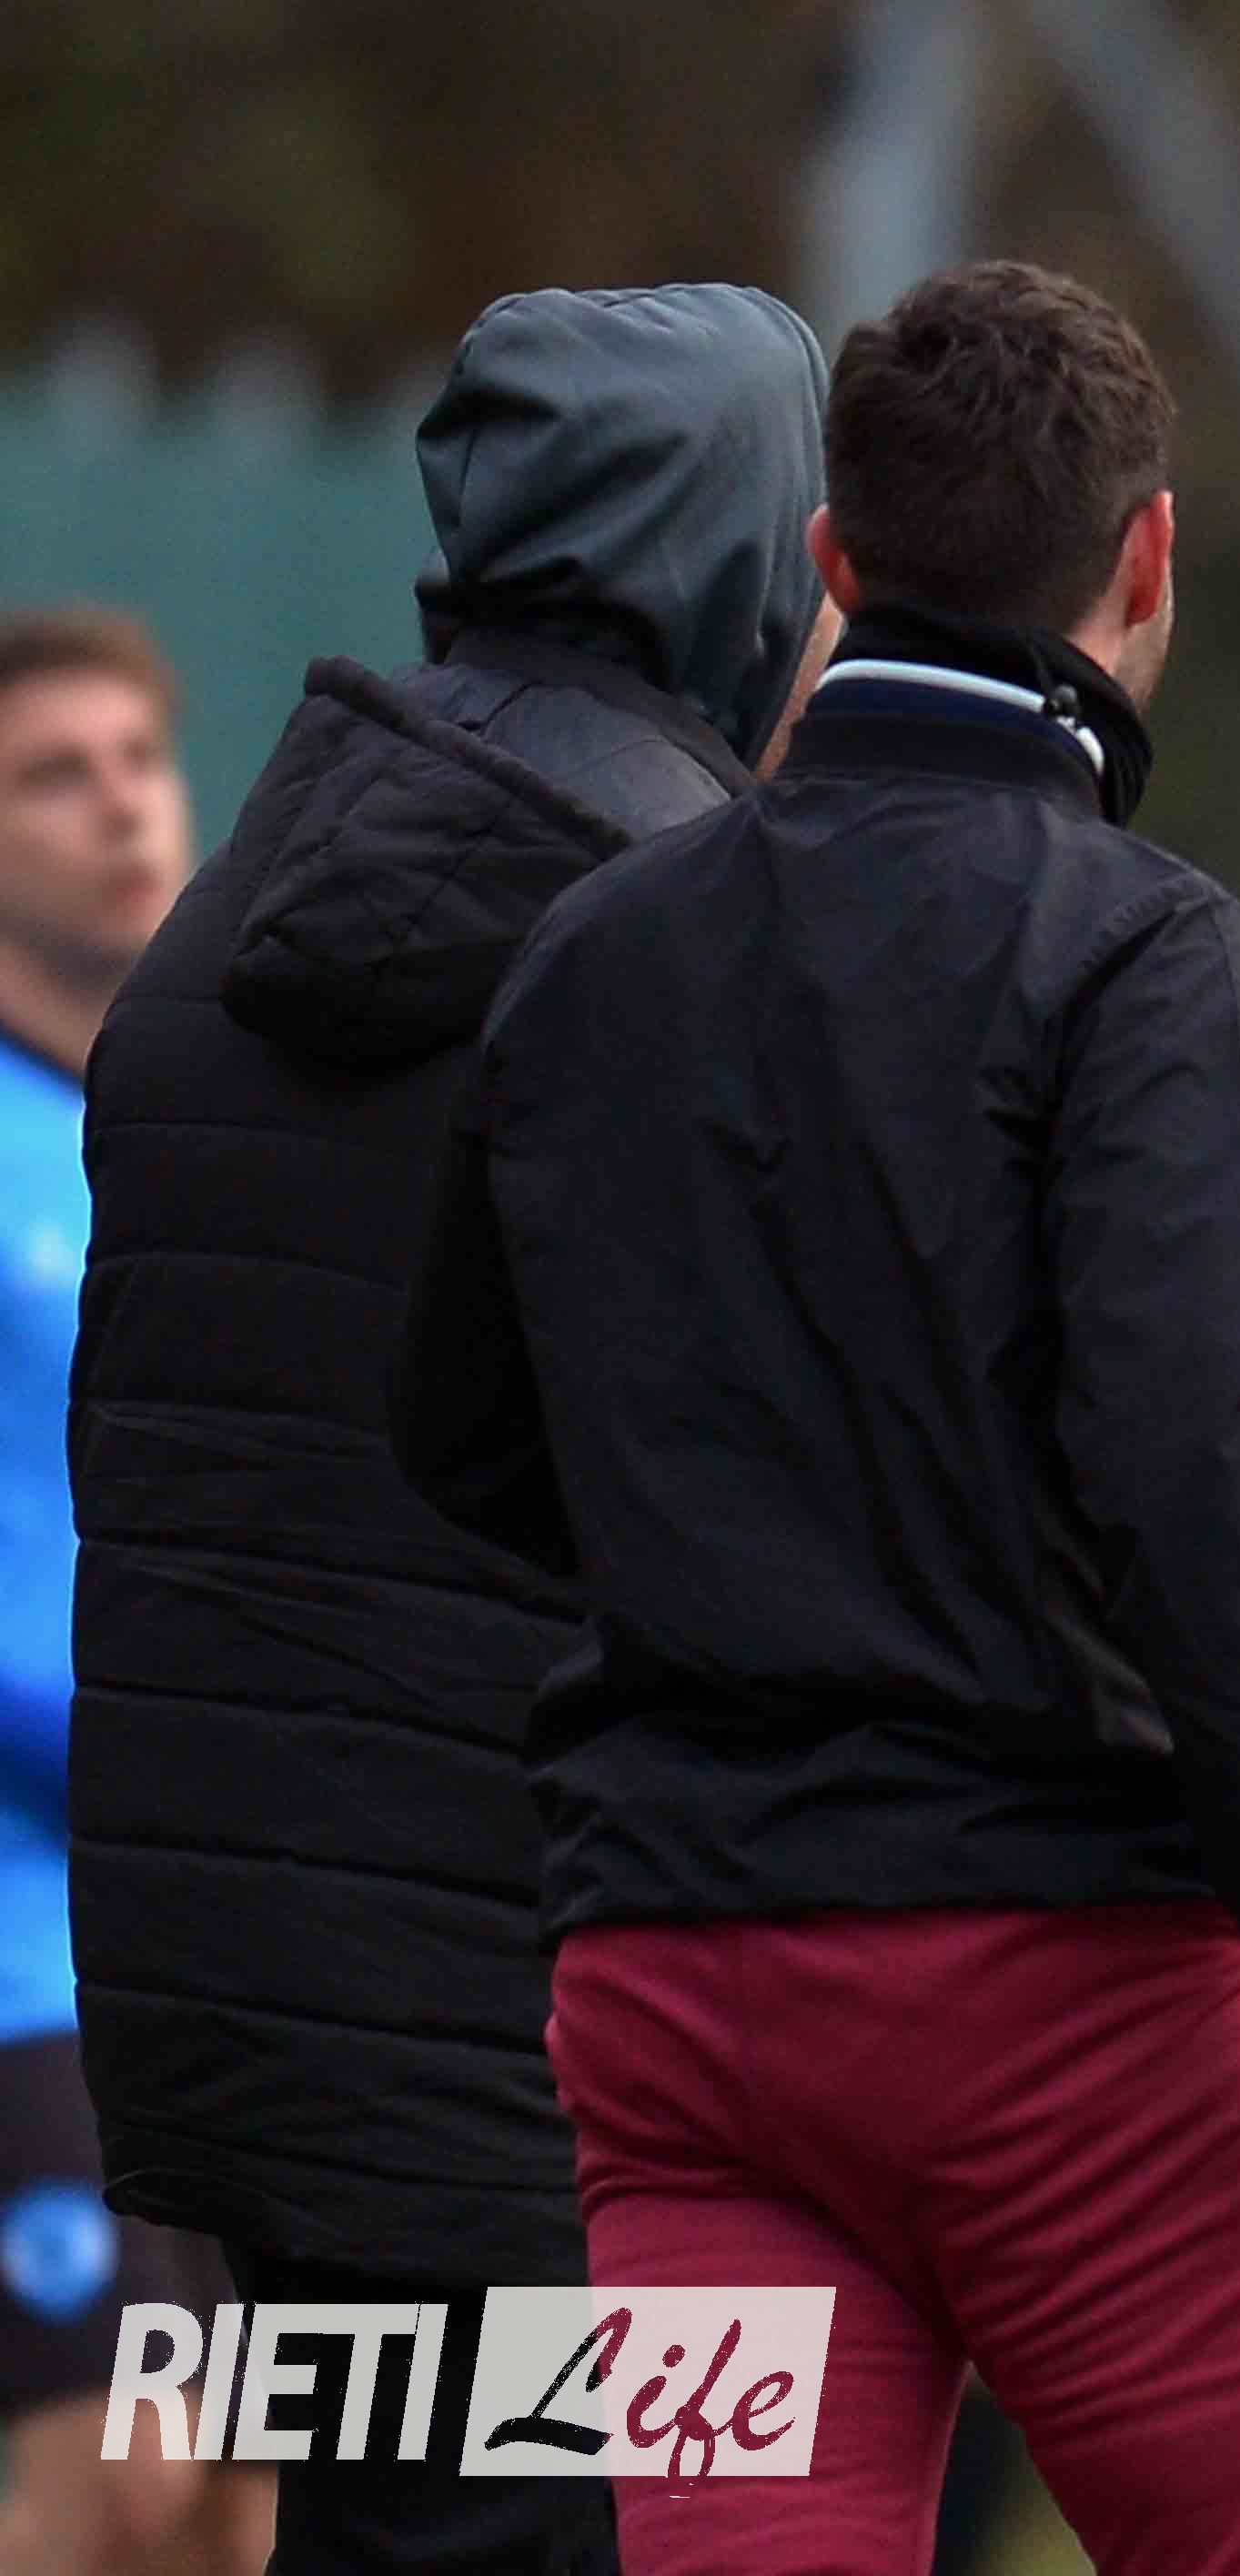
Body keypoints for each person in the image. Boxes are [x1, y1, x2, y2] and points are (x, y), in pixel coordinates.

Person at [389, 260, 1240, 2576]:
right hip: (1072, 1988)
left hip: (682, 1994)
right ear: (1148, 560)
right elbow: (1203, 1474)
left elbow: (466, 1431)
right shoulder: (1142, 951)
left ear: (834, 562)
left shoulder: (598, 949)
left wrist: (772, 1567)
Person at [68, 283, 832, 2576]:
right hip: (536, 2034)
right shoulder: (676, 944)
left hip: (231, 2028)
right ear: (744, 555)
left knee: (386, 2523)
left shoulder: (225, 923)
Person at [0, 609, 261, 2574]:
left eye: (137, 763)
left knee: (252, 2487)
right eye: (49, 776)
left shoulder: (228, 1127)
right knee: (121, 2473)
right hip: (23, 1930)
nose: (117, 808)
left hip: (231, 1928)